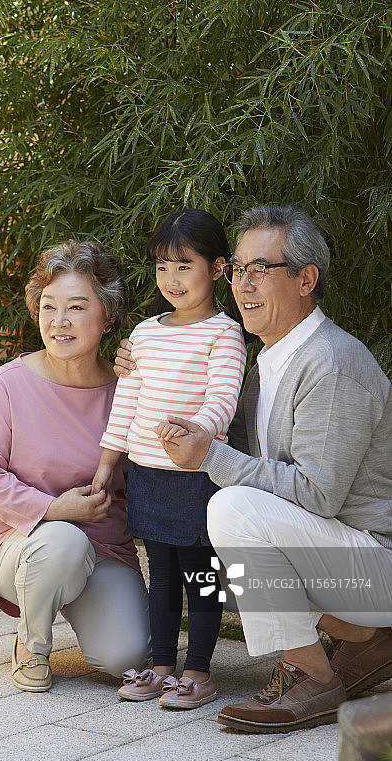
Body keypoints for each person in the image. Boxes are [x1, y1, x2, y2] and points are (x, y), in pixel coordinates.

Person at [117, 204, 391, 732]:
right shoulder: (268, 362)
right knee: (215, 545)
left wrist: (209, 455)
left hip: (375, 563)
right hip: (344, 563)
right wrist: (142, 360)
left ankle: (311, 675)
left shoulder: (330, 362)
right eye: (239, 268)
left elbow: (316, 495)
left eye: (261, 269)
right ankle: (364, 637)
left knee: (233, 508)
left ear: (306, 279)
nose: (244, 283)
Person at [0, 240, 150, 693]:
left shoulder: (129, 390)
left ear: (108, 317)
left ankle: (69, 603)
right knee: (63, 544)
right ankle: (32, 645)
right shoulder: (9, 385)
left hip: (103, 548)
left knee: (124, 657)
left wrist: (150, 368)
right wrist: (54, 511)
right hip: (20, 544)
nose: (59, 321)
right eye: (49, 307)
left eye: (76, 307)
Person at [92, 209, 247, 709]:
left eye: (185, 266)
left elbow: (223, 396)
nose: (172, 280)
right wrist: (107, 462)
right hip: (147, 471)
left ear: (218, 268)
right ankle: (162, 666)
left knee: (201, 571)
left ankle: (199, 671)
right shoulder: (143, 333)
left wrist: (197, 432)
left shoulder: (225, 333)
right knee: (159, 572)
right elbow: (127, 401)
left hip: (197, 471)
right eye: (163, 268)